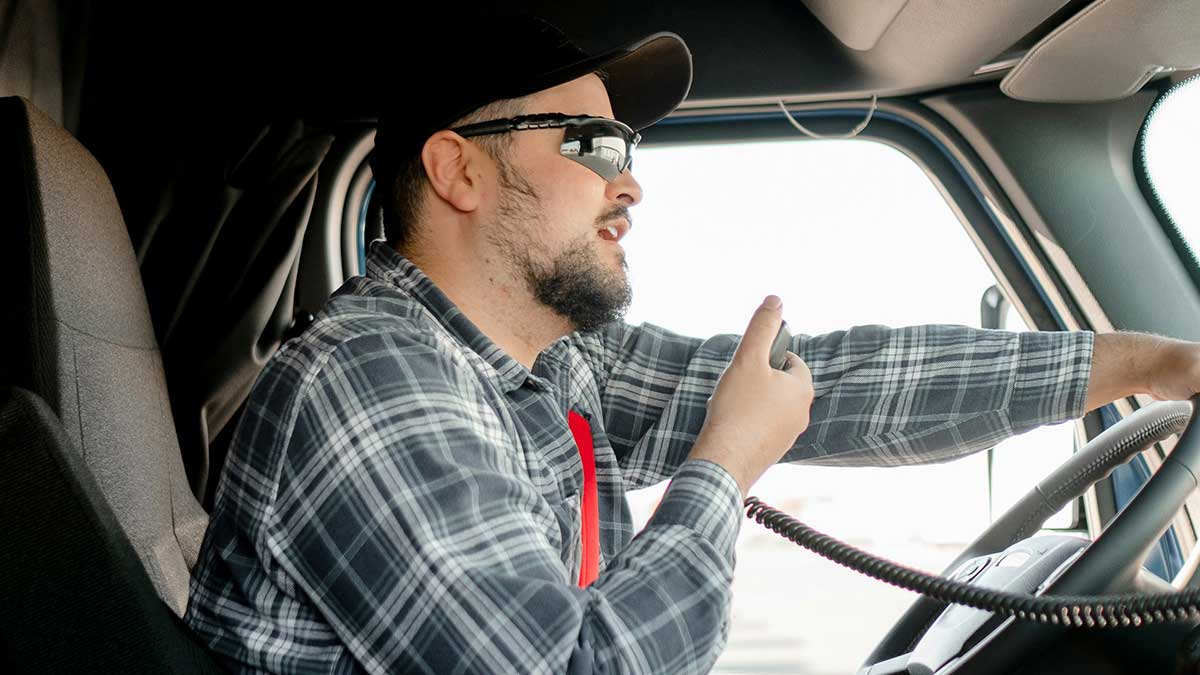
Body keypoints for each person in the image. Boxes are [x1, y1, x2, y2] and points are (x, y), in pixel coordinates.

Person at [184, 15, 1200, 674]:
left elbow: (831, 383)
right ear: (458, 172)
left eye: (629, 149)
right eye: (592, 145)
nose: (630, 182)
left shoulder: (547, 367)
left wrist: (1149, 367)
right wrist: (721, 466)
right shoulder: (369, 387)